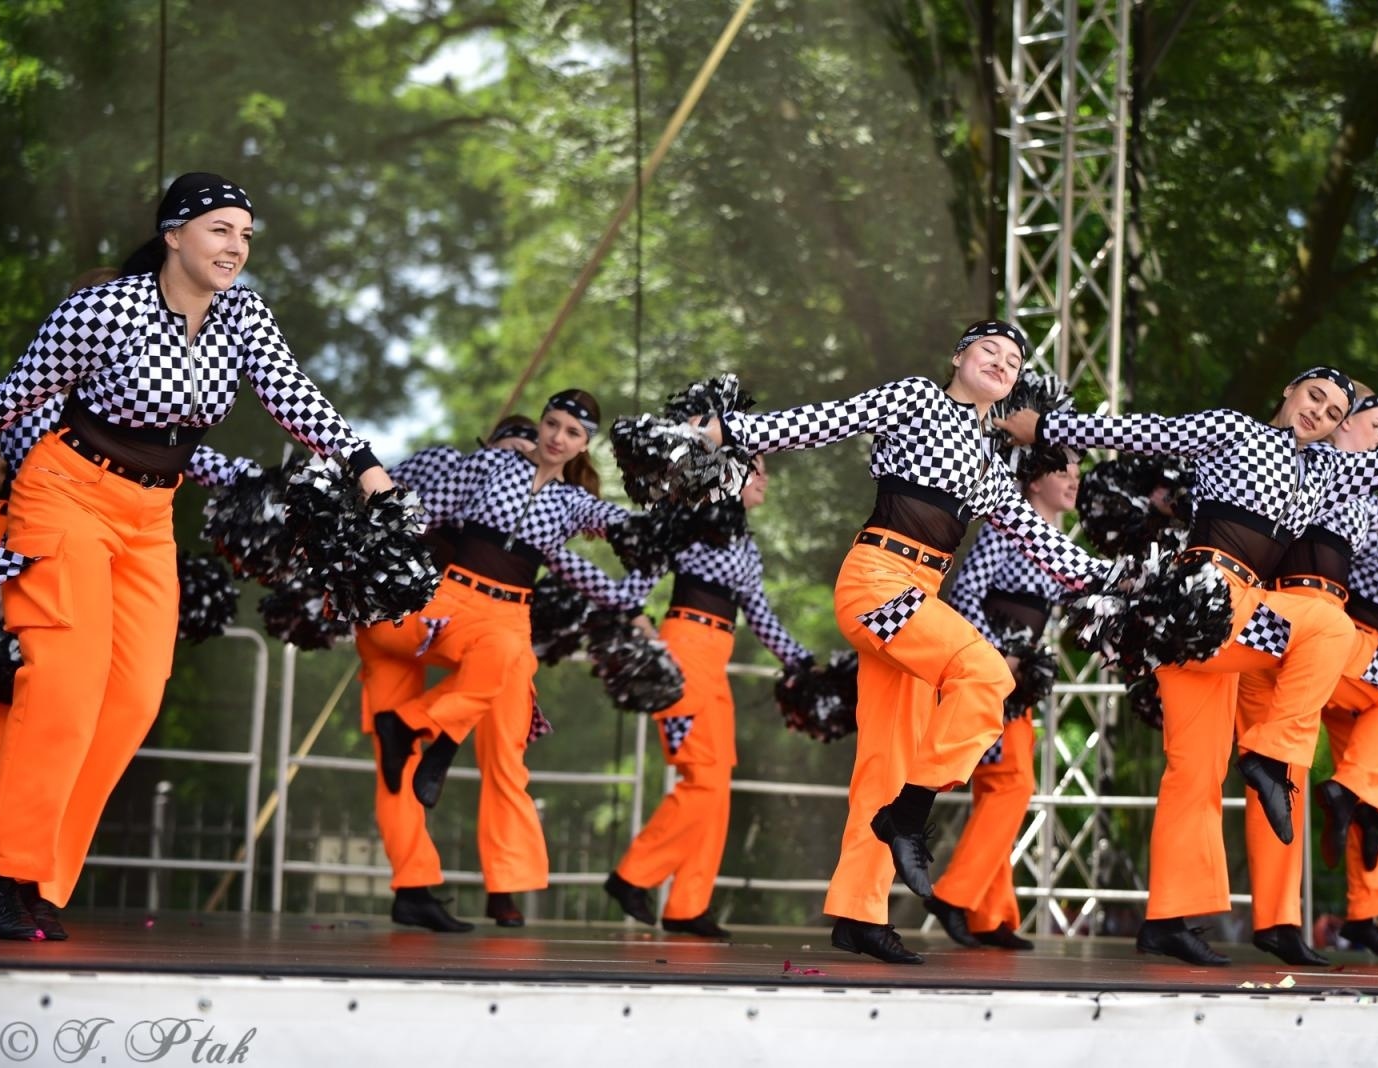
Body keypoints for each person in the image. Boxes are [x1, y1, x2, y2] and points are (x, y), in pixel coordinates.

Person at [997, 369, 1378, 964]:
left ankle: (1179, 913)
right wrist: (1040, 426)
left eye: (1330, 411)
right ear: (1288, 391)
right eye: (1315, 399)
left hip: (1241, 622)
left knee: (1198, 767)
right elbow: (1138, 431)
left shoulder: (1326, 473)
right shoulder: (1232, 430)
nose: (1319, 413)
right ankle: (1289, 773)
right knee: (1316, 650)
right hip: (1208, 600)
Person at [0, 172, 392, 942]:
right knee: (64, 689)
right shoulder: (107, 306)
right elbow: (11, 399)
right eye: (219, 230)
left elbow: (291, 393)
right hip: (66, 492)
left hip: (149, 513)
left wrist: (363, 464)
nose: (236, 246)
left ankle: (44, 875)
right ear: (174, 234)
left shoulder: (242, 314)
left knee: (134, 698)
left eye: (245, 234)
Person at [700, 321, 1114, 964]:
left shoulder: (984, 459)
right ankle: (911, 814)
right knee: (988, 675)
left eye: (1013, 360)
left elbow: (1044, 543)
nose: (1002, 364)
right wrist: (728, 432)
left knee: (886, 762)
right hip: (876, 581)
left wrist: (1121, 580)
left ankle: (858, 913)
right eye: (989, 351)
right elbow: (824, 421)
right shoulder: (917, 399)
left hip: (920, 594)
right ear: (959, 356)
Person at [359, 391, 641, 930]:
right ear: (497, 442)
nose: (542, 441)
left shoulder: (555, 509)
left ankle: (502, 884)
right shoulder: (463, 465)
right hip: (414, 609)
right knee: (396, 758)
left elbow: (594, 567)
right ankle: (414, 876)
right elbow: (387, 493)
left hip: (490, 625)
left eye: (566, 432)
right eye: (538, 429)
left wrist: (637, 598)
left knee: (506, 742)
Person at [1235, 391, 1378, 966]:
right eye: (1374, 426)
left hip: (1329, 644)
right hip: (1313, 630)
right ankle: (1350, 812)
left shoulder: (1363, 503)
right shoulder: (1316, 473)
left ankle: (1364, 849)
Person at [604, 456, 812, 939]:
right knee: (701, 777)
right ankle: (632, 876)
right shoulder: (687, 525)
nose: (765, 478)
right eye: (757, 469)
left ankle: (687, 905)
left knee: (716, 785)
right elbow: (632, 589)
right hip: (684, 651)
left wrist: (804, 664)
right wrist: (645, 635)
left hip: (716, 657)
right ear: (729, 477)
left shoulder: (744, 543)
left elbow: (760, 617)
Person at [923, 444, 1081, 950]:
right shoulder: (1004, 526)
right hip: (990, 672)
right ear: (1034, 481)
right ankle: (953, 895)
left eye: (1078, 469)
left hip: (1017, 679)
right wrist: (997, 655)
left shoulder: (1059, 540)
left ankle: (989, 916)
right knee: (1012, 783)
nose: (1075, 478)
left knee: (1000, 787)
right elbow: (964, 591)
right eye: (1064, 469)